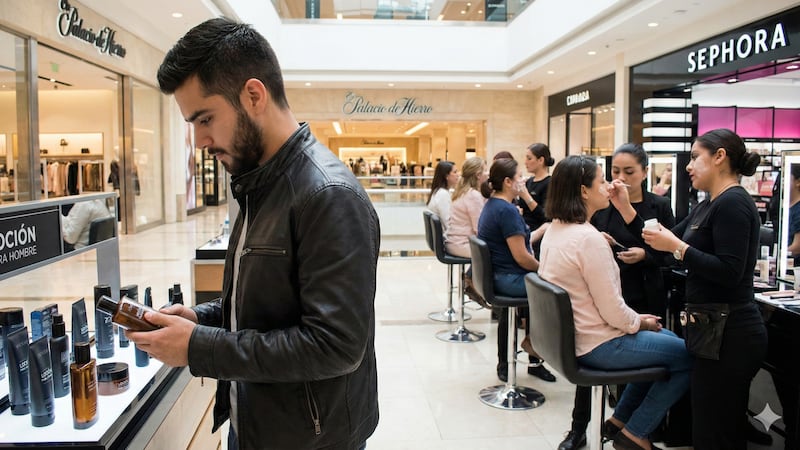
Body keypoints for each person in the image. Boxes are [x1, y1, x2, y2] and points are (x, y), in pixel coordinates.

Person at [126, 18, 380, 450]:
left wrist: (200, 348)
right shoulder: (258, 183)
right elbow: (269, 306)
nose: (201, 139)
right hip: (257, 420)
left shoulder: (328, 196)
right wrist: (202, 319)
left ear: (253, 95)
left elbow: (335, 346)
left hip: (311, 438)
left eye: (205, 118)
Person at [538, 155, 691, 450]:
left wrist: (636, 320)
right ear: (584, 191)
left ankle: (620, 420)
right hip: (598, 345)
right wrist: (639, 321)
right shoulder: (588, 239)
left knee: (667, 339)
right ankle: (636, 432)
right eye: (603, 180)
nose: (608, 185)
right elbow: (611, 310)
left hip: (576, 340)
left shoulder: (555, 231)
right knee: (686, 355)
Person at [643, 129, 767, 450]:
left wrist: (679, 249)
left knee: (718, 431)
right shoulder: (706, 205)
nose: (688, 166)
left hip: (732, 334)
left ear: (720, 157)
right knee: (707, 426)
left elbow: (729, 272)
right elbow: (662, 250)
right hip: (710, 331)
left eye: (696, 157)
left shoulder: (734, 204)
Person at [477, 158, 556, 383]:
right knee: (558, 289)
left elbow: (519, 244)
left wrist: (540, 231)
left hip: (499, 276)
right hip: (508, 278)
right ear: (508, 181)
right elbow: (522, 257)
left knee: (544, 283)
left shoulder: (494, 205)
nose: (523, 181)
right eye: (519, 177)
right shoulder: (507, 211)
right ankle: (536, 346)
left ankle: (532, 352)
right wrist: (545, 270)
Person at [517, 143, 555, 258]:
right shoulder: (529, 182)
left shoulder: (550, 183)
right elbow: (522, 207)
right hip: (523, 228)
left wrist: (526, 197)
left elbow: (546, 216)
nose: (525, 162)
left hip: (539, 233)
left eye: (529, 158)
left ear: (541, 160)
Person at [446, 157, 487, 258]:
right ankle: (470, 274)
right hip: (464, 244)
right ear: (478, 175)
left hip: (454, 242)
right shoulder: (473, 195)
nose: (488, 173)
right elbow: (479, 229)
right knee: (502, 253)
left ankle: (469, 274)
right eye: (485, 170)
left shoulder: (463, 191)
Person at [426, 161, 458, 232]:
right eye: (455, 172)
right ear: (446, 176)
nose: (458, 175)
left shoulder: (438, 192)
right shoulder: (442, 195)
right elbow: (448, 224)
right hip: (447, 238)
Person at [786, 164, 800, 268]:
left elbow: (797, 247)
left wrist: (780, 255)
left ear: (798, 182)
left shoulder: (798, 209)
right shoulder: (785, 207)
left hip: (794, 267)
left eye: (787, 177)